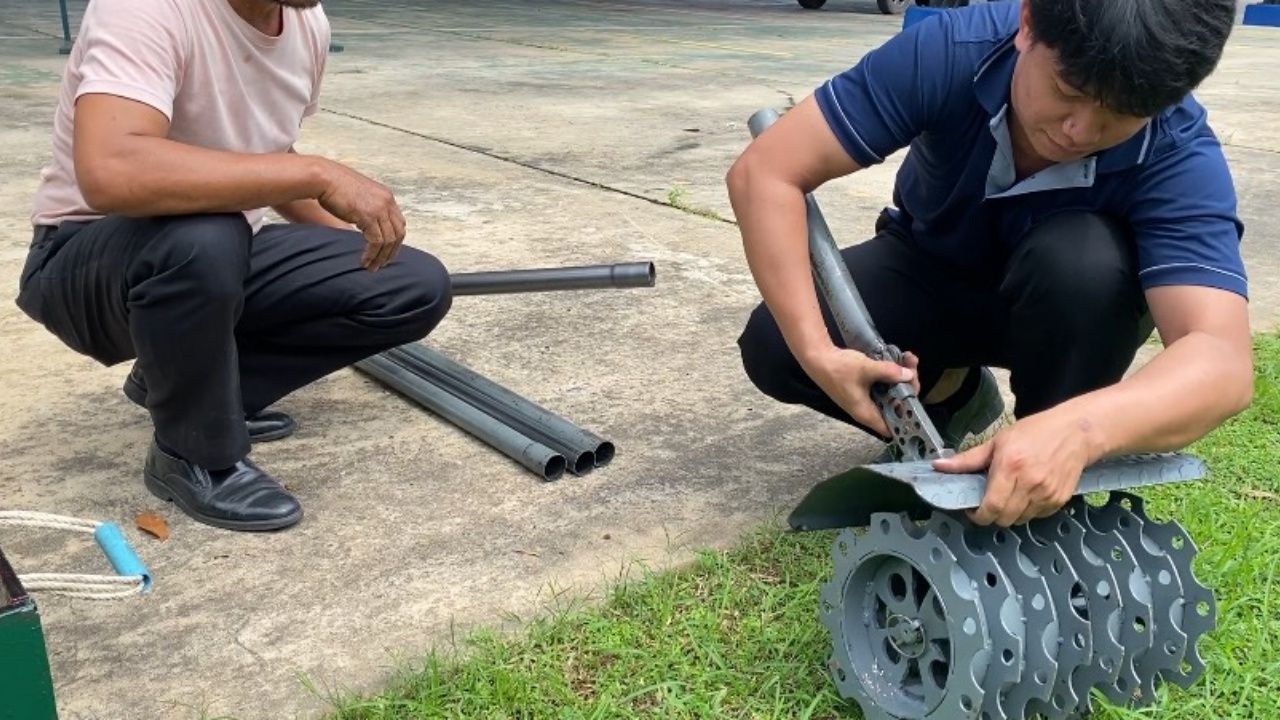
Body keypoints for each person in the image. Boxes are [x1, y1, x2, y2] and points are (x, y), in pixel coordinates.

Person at [728, 0, 1253, 527]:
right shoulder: (955, 51)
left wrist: (1080, 430)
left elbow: (1220, 360)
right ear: (1027, 24)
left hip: (1074, 307)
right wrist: (818, 352)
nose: (1078, 130)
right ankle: (952, 398)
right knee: (778, 344)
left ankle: (1044, 472)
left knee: (1083, 262)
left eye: (1120, 113)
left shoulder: (1175, 148)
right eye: (1067, 90)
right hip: (933, 266)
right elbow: (766, 172)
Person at [15, 0, 452, 532]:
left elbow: (268, 155)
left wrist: (354, 247)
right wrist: (320, 174)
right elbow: (112, 169)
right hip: (83, 261)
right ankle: (193, 452)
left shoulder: (306, 24)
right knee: (207, 232)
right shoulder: (149, 8)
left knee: (409, 283)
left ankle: (184, 388)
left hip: (216, 250)